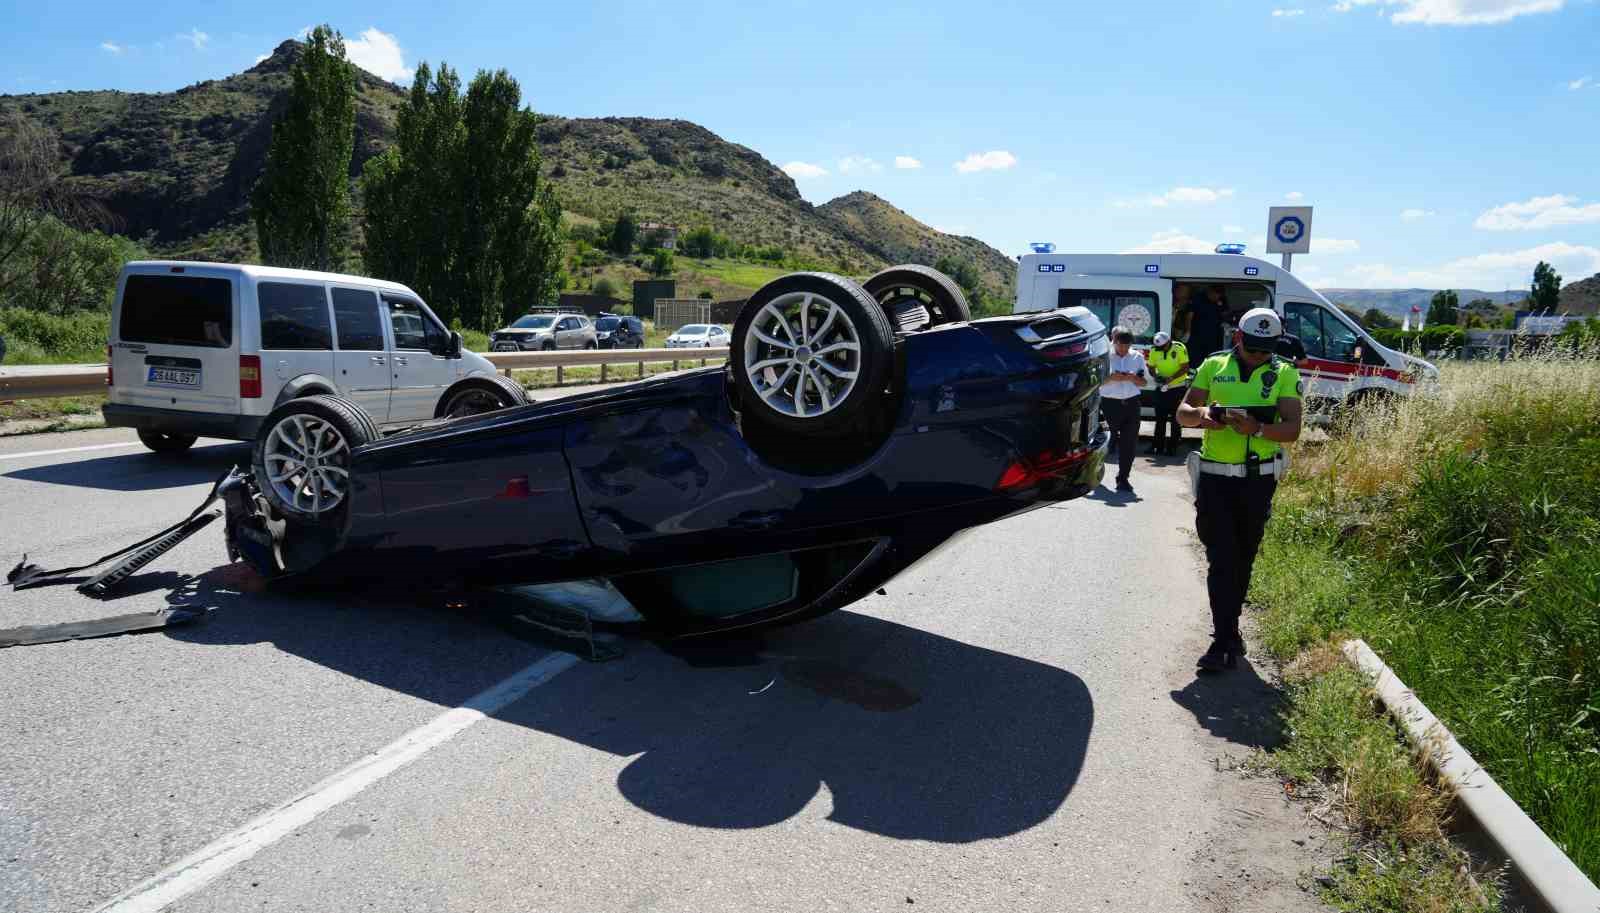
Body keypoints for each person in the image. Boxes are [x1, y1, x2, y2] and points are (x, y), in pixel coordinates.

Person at [1176, 307, 1303, 672]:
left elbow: (1292, 429)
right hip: (1216, 478)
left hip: (1257, 480)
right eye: (1253, 348)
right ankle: (1221, 640)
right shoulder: (1214, 366)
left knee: (1243, 558)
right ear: (1238, 339)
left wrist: (1258, 430)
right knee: (1220, 557)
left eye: (1266, 349)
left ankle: (1229, 633)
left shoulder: (1284, 372)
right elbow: (1183, 411)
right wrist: (1203, 417)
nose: (1259, 355)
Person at [1100, 325, 1147, 493]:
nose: (1123, 349)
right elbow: (1095, 381)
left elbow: (1144, 382)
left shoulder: (1137, 357)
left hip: (1131, 404)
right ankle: (1095, 472)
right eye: (1120, 345)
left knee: (1129, 443)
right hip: (1108, 405)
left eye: (1127, 346)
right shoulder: (1105, 356)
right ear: (1113, 341)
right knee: (1103, 442)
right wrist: (1111, 378)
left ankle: (1123, 478)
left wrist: (1133, 378)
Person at [1146, 331, 1189, 455]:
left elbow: (1185, 367)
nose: (1160, 349)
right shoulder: (1155, 350)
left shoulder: (1179, 348)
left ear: (1169, 342)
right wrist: (1156, 376)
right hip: (1161, 388)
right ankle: (1157, 446)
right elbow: (1151, 367)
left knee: (1176, 419)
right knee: (1160, 419)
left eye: (1162, 347)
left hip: (1177, 387)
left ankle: (1173, 447)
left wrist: (1171, 378)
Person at [1186, 285, 1227, 362]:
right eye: (1215, 295)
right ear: (1210, 292)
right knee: (1196, 358)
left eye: (1219, 296)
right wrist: (1188, 332)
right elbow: (1189, 316)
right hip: (1197, 335)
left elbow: (1225, 313)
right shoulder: (1198, 298)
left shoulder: (1221, 300)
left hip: (1214, 336)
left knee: (1212, 357)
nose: (1216, 298)